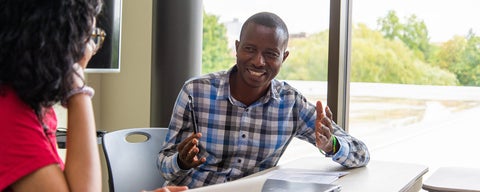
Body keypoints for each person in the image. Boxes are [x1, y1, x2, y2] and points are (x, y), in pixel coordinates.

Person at [158, 12, 370, 189]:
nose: (258, 61)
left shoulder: (291, 104)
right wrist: (181, 162)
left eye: (270, 54)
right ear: (237, 48)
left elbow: (361, 154)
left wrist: (331, 144)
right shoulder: (195, 92)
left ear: (283, 57)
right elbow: (163, 163)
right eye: (250, 49)